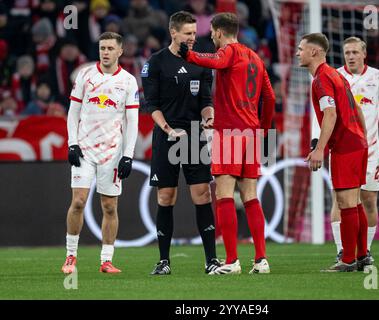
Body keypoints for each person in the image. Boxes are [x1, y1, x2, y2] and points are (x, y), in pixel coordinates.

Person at [178, 12, 276, 275]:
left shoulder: (229, 51)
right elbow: (270, 97)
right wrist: (263, 130)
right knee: (251, 196)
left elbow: (213, 61)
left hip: (230, 133)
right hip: (251, 133)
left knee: (223, 196)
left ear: (220, 32)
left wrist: (188, 54)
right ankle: (261, 259)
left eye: (211, 32)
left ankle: (232, 261)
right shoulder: (256, 57)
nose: (210, 36)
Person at [141, 11, 220, 275]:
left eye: (193, 33)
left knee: (202, 194)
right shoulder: (156, 62)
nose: (192, 38)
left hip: (195, 134)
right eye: (187, 33)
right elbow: (151, 105)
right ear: (173, 32)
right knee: (166, 196)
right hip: (167, 135)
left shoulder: (202, 62)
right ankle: (163, 261)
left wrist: (209, 118)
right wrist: (169, 129)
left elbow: (206, 100)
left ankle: (211, 261)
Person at [61, 32, 139, 274]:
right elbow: (73, 113)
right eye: (102, 48)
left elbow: (132, 120)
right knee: (78, 202)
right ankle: (70, 257)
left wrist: (128, 155)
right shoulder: (85, 75)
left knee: (109, 206)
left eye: (109, 48)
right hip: (84, 149)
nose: (104, 52)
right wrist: (72, 144)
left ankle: (106, 260)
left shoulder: (127, 81)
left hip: (112, 153)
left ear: (119, 51)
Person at [296, 33, 369, 272]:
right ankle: (362, 256)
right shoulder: (336, 74)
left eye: (301, 48)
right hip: (356, 143)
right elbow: (356, 108)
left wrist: (319, 150)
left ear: (314, 52)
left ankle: (348, 260)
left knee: (346, 203)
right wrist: (363, 136)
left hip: (346, 146)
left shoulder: (322, 79)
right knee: (354, 202)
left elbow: (331, 114)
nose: (298, 52)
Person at [326, 36, 379, 265]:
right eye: (347, 52)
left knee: (368, 200)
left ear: (364, 54)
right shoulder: (335, 77)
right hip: (342, 150)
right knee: (340, 200)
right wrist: (317, 139)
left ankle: (364, 251)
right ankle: (341, 250)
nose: (351, 56)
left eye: (355, 52)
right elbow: (326, 113)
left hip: (371, 150)